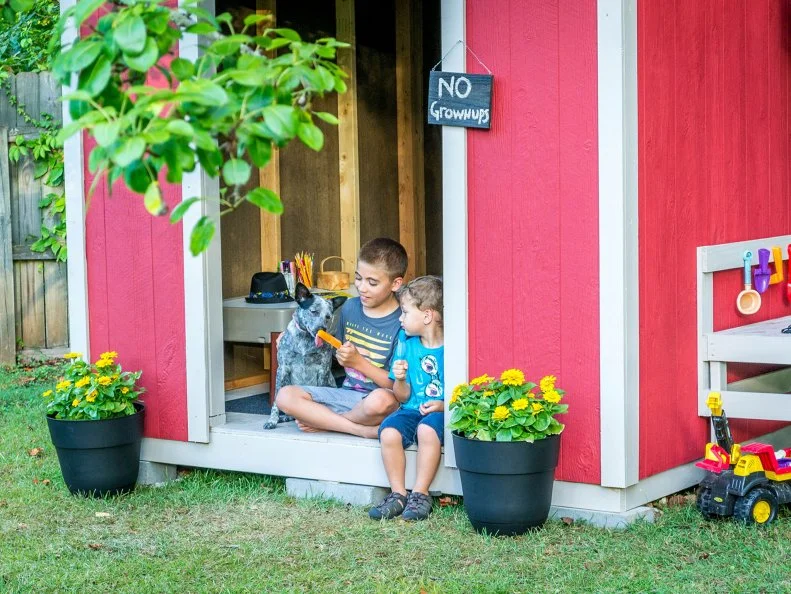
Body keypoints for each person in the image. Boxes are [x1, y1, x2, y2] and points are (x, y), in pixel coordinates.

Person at [275, 237, 407, 438]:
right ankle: (358, 429)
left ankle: (327, 422)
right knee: (285, 396)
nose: (362, 287)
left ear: (395, 283)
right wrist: (291, 339)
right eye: (358, 278)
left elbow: (398, 389)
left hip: (378, 399)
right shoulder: (350, 308)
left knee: (382, 401)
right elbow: (332, 348)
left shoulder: (403, 322)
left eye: (372, 283)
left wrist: (359, 363)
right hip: (347, 396)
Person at [369, 276, 444, 522]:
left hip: (441, 413)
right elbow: (402, 396)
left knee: (426, 430)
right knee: (389, 431)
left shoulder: (454, 347)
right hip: (411, 408)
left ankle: (420, 494)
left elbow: (464, 391)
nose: (400, 319)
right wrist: (400, 380)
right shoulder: (405, 343)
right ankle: (398, 494)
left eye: (404, 312)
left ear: (427, 316)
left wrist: (444, 406)